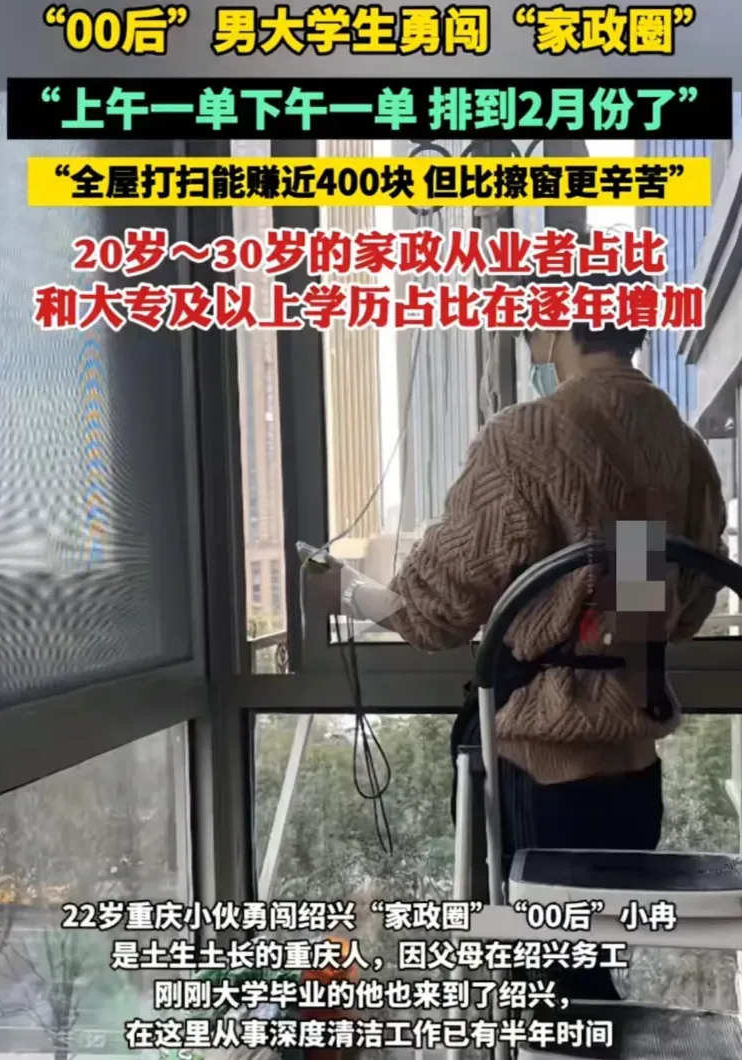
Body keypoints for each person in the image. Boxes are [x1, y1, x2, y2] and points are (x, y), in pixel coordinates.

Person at [306, 275, 727, 1000]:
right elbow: (682, 606)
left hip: (540, 773)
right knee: (587, 978)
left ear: (560, 325)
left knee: (543, 996)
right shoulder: (686, 449)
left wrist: (342, 590)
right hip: (635, 771)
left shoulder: (525, 438)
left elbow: (434, 611)